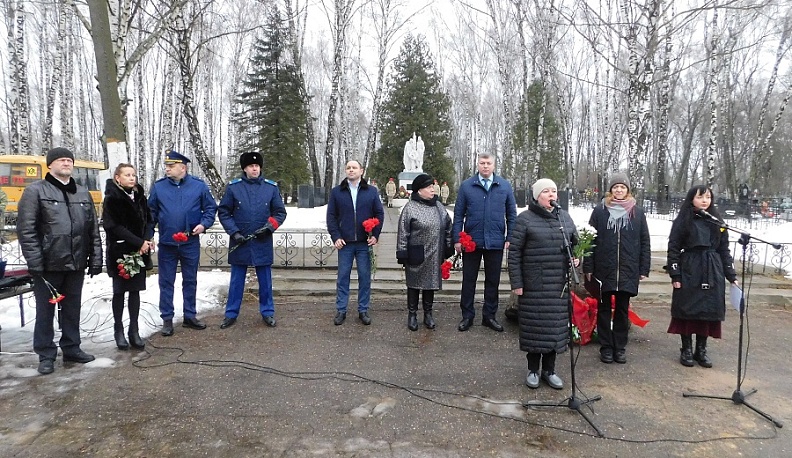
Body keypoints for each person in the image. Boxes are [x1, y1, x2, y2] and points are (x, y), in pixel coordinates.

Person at [16, 147, 103, 375]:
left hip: (75, 262)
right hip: (48, 264)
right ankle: (46, 354)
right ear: (50, 165)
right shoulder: (35, 191)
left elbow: (92, 228)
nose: (66, 163)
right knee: (46, 312)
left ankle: (72, 347)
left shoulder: (82, 193)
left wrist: (95, 257)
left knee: (72, 308)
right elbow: (27, 230)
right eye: (61, 160)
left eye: (69, 160)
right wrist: (35, 261)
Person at [507, 179, 578, 390]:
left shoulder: (564, 217)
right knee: (534, 328)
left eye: (554, 191)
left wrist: (576, 258)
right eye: (546, 191)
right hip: (533, 285)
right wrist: (517, 283)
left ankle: (550, 370)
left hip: (558, 285)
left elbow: (574, 243)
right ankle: (532, 370)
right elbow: (514, 253)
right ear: (537, 196)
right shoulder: (525, 219)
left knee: (554, 329)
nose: (551, 195)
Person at [583, 172, 650, 365]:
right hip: (604, 268)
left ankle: (620, 347)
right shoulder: (600, 211)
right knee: (603, 309)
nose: (619, 190)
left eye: (622, 187)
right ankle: (606, 347)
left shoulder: (637, 212)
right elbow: (590, 239)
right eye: (615, 187)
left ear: (628, 190)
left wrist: (643, 267)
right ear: (610, 190)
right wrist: (588, 266)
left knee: (621, 309)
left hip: (628, 268)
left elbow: (644, 241)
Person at [666, 184, 737, 368]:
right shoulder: (683, 221)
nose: (704, 201)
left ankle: (701, 350)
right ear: (692, 199)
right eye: (700, 197)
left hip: (712, 268)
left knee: (708, 309)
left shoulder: (717, 222)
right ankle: (686, 349)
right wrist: (676, 275)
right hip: (690, 266)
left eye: (707, 197)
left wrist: (730, 274)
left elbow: (724, 249)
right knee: (688, 308)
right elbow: (673, 248)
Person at [148, 150, 217, 336]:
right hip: (168, 243)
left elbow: (210, 208)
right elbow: (151, 214)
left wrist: (204, 224)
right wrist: (149, 235)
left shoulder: (199, 186)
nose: (167, 169)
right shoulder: (159, 187)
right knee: (166, 282)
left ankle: (190, 315)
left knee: (190, 280)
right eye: (167, 166)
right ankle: (167, 319)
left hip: (190, 242)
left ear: (183, 167)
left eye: (171, 166)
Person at [218, 152, 287, 329]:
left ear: (260, 168)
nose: (254, 168)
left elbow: (279, 213)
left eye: (257, 166)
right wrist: (234, 233)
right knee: (236, 281)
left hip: (262, 240)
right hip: (240, 240)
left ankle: (267, 312)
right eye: (250, 166)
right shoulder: (234, 188)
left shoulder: (271, 188)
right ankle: (231, 313)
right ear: (245, 168)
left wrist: (270, 227)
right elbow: (224, 212)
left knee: (265, 280)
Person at [452, 152, 517, 332]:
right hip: (471, 241)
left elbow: (511, 214)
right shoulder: (467, 186)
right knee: (469, 280)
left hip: (495, 242)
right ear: (478, 165)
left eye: (488, 163)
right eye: (482, 163)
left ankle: (489, 316)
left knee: (492, 281)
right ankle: (467, 316)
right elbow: (458, 215)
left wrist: (510, 236)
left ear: (494, 165)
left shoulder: (504, 186)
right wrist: (457, 238)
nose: (485, 166)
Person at [326, 160, 384, 326]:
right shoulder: (337, 192)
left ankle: (363, 309)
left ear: (361, 171)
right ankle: (341, 309)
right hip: (345, 243)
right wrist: (336, 236)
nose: (351, 170)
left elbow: (379, 214)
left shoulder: (371, 192)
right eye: (348, 168)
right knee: (343, 277)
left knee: (364, 277)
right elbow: (331, 216)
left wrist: (375, 234)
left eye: (354, 168)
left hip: (364, 243)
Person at [102, 164, 154, 350]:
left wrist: (147, 239)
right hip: (121, 252)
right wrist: (138, 242)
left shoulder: (140, 197)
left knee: (135, 291)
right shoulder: (111, 199)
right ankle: (119, 330)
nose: (132, 178)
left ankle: (134, 330)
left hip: (140, 251)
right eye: (127, 175)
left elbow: (149, 220)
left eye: (133, 175)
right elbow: (113, 226)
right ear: (118, 178)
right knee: (120, 291)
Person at [396, 174, 452, 331]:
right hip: (416, 253)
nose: (432, 189)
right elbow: (403, 232)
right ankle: (412, 314)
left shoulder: (439, 207)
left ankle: (428, 314)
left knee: (430, 285)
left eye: (432, 186)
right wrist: (402, 252)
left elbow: (448, 227)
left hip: (435, 254)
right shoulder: (410, 208)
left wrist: (448, 246)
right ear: (419, 190)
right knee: (414, 285)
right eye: (429, 187)